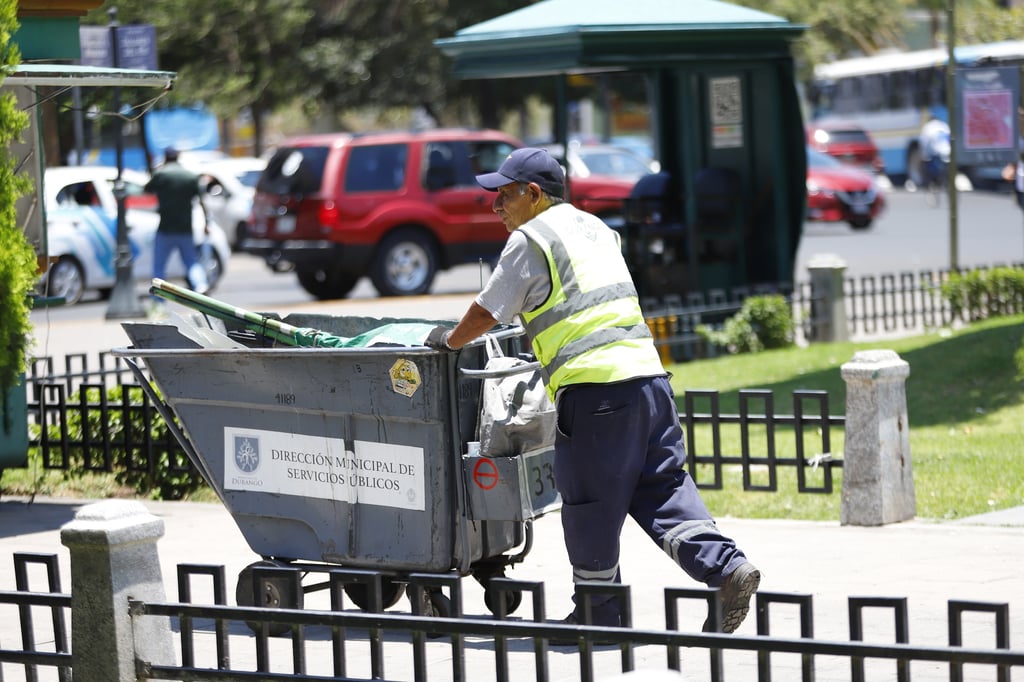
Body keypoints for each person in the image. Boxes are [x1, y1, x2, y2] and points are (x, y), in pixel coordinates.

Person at [424, 148, 760, 637]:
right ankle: (726, 568)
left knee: (589, 503)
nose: (494, 205)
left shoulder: (531, 237)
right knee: (662, 489)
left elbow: (488, 310)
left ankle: (599, 614)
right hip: (650, 382)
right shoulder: (598, 228)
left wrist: (448, 342)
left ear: (534, 194)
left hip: (597, 392)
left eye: (503, 194)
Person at [145, 146, 210, 307]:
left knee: (159, 265)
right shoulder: (189, 176)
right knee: (191, 261)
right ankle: (200, 284)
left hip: (165, 227)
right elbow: (201, 201)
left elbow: (147, 189)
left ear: (166, 158)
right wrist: (206, 223)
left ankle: (158, 298)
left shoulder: (162, 174)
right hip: (185, 227)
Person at [918, 116, 950, 189]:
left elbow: (924, 141)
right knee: (945, 168)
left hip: (935, 150)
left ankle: (931, 184)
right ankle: (945, 183)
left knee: (932, 168)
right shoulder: (944, 125)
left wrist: (924, 155)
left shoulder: (928, 127)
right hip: (947, 149)